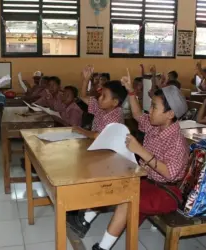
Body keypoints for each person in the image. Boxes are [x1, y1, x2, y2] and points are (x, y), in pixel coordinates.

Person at [68, 82, 189, 250]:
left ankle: (103, 247)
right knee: (113, 184)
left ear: (169, 114)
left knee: (127, 199)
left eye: (154, 107)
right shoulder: (157, 126)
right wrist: (131, 93)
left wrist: (140, 150)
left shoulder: (176, 141)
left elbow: (170, 173)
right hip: (148, 181)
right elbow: (138, 114)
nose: (150, 111)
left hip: (166, 191)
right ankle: (84, 220)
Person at [72, 66, 127, 139]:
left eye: (104, 96)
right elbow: (83, 97)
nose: (100, 98)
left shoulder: (115, 115)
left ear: (114, 102)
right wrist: (86, 80)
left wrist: (81, 130)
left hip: (109, 148)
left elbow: (98, 135)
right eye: (101, 94)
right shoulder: (101, 107)